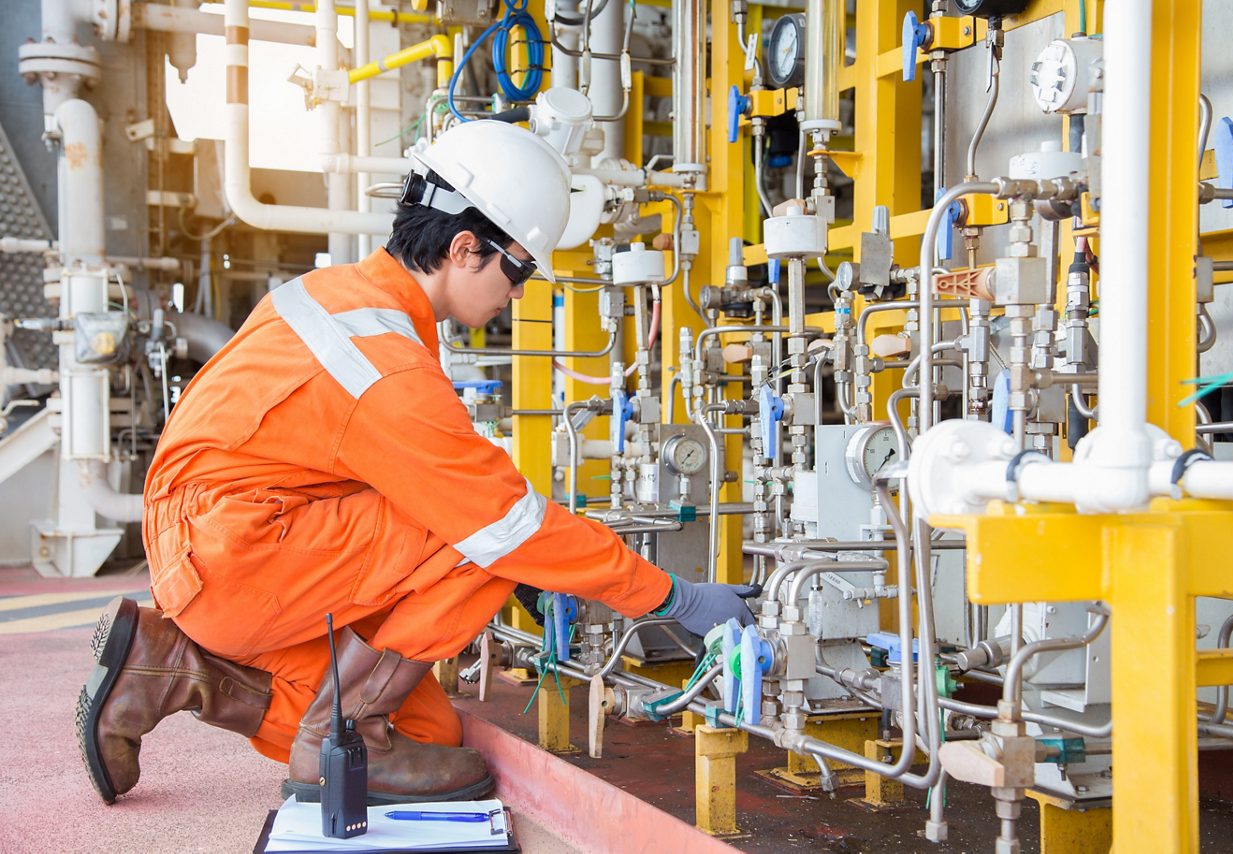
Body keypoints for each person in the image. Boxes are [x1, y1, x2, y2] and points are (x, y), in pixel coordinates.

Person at [77, 120, 756, 806]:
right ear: (465, 247)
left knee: (430, 733)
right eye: (518, 268)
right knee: (488, 534)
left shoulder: (348, 297)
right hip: (237, 554)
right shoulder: (385, 361)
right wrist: (676, 598)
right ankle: (344, 735)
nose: (518, 292)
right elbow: (504, 524)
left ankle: (167, 665)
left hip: (211, 545)